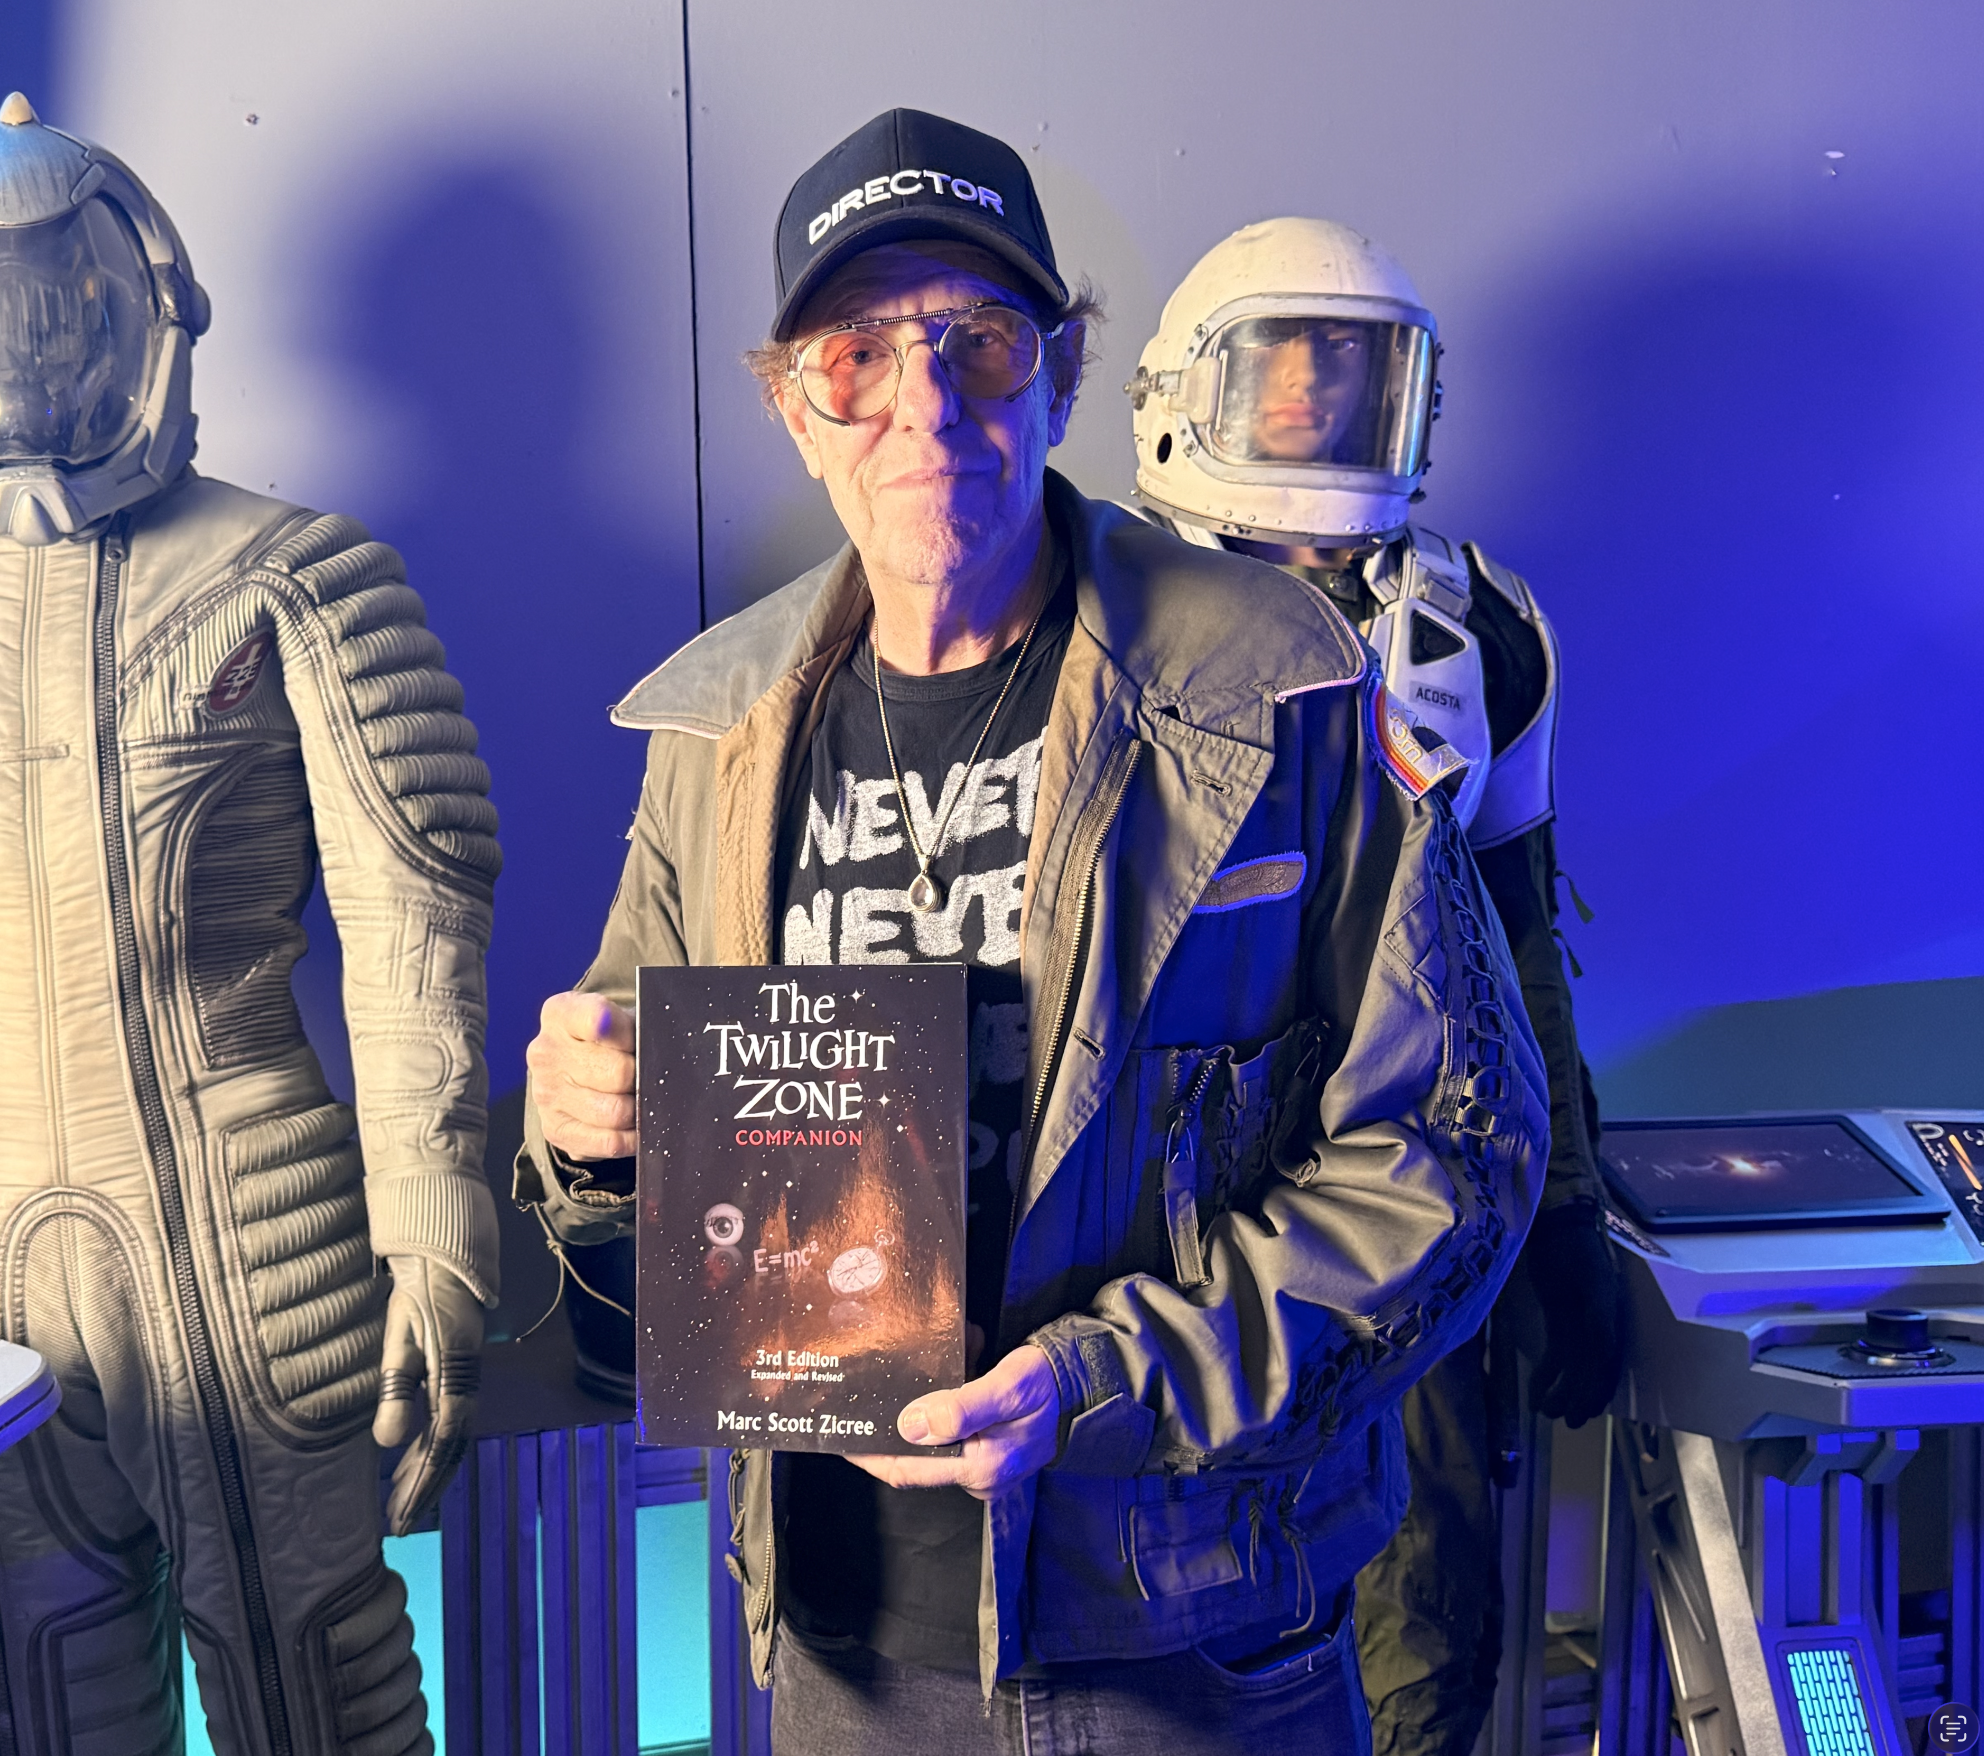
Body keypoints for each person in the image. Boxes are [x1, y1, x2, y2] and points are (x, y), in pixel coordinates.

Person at [521, 110, 1547, 1754]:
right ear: (793, 404)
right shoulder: (715, 735)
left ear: (1064, 375)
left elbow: (1453, 1151)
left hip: (1198, 1632)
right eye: (858, 356)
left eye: (980, 345)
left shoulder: (1279, 688)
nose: (926, 409)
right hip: (842, 1639)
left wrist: (1101, 1383)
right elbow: (628, 1140)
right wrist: (580, 1127)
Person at [0, 94, 495, 1755]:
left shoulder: (294, 578)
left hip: (250, 1224)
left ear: (142, 302)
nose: (25, 349)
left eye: (58, 302)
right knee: (26, 1688)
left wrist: (436, 1230)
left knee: (314, 1668)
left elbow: (412, 922)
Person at [1128, 215, 1623, 1756]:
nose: (1321, 415)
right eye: (1285, 379)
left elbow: (1515, 934)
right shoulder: (1091, 610)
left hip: (1410, 1196)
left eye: (1357, 380)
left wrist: (1564, 1220)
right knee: (1161, 1620)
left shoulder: (1482, 633)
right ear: (1184, 395)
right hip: (1157, 1214)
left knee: (1424, 1614)